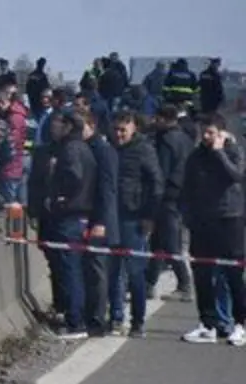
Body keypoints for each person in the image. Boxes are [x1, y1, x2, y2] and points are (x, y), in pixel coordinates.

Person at [179, 112, 245, 345]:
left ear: (221, 133)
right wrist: (187, 215)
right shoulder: (196, 156)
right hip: (202, 220)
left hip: (229, 218)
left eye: (211, 133)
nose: (206, 137)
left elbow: (236, 176)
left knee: (232, 273)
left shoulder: (233, 151)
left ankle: (240, 323)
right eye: (203, 132)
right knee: (202, 273)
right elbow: (187, 186)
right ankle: (207, 324)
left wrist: (219, 152)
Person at [41, 111, 97, 339]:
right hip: (80, 215)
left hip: (70, 216)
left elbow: (74, 176)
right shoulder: (83, 148)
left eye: (59, 123)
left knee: (69, 269)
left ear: (68, 126)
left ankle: (75, 322)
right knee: (73, 268)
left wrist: (61, 197)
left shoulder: (71, 149)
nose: (54, 127)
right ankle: (75, 316)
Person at [111, 112, 163, 338]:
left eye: (123, 130)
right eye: (116, 129)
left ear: (133, 129)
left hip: (134, 217)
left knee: (135, 272)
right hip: (112, 216)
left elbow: (156, 184)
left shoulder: (144, 150)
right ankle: (116, 317)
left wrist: (149, 216)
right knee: (113, 271)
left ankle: (137, 321)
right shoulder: (110, 149)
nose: (119, 134)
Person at [147, 105, 195, 301]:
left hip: (167, 196)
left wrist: (153, 195)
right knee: (158, 242)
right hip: (180, 194)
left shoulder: (166, 140)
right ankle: (149, 283)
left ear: (163, 119)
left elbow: (162, 171)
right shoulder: (185, 138)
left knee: (170, 242)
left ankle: (184, 283)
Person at [80, 111, 119, 336]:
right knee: (88, 270)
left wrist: (102, 221)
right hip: (87, 217)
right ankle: (89, 315)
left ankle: (97, 320)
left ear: (91, 126)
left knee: (97, 271)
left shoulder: (103, 151)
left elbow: (107, 188)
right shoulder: (85, 148)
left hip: (99, 220)